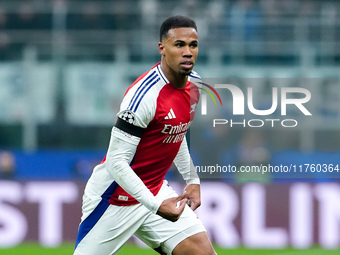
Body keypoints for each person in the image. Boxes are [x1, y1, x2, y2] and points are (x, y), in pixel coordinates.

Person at [74, 15, 216, 255]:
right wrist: (155, 205)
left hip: (155, 190)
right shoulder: (142, 97)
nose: (188, 52)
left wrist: (192, 180)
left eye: (193, 45)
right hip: (114, 198)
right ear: (162, 48)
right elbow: (117, 162)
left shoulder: (194, 85)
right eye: (179, 45)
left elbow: (175, 132)